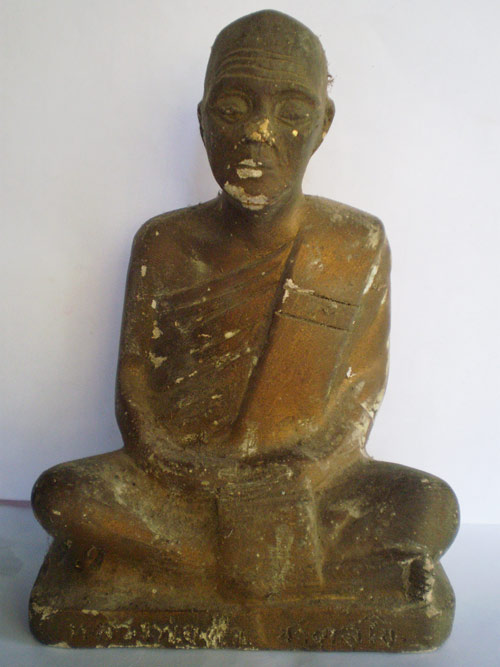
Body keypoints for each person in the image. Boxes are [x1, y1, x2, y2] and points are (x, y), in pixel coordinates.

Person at [30, 10, 458, 647]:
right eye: (233, 108)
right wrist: (205, 483)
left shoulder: (354, 243)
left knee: (430, 506)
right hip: (181, 487)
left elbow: (359, 396)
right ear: (204, 120)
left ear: (323, 124)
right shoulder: (163, 244)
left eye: (291, 111)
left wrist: (300, 477)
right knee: (63, 495)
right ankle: (267, 567)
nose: (259, 133)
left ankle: (186, 565)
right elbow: (136, 402)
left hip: (305, 489)